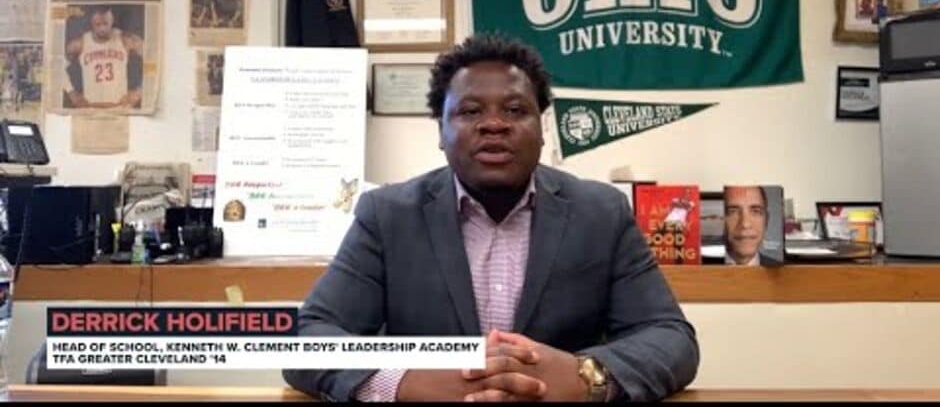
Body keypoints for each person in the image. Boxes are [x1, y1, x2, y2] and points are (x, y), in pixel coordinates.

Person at [283, 34, 699, 402]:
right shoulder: (388, 216)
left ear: (542, 128)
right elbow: (310, 337)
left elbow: (670, 338)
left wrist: (584, 375)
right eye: (470, 112)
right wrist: (406, 382)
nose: (495, 124)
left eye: (516, 110)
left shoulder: (601, 212)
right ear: (440, 132)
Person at [63, 5, 144, 109]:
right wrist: (71, 92)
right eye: (98, 24)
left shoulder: (126, 39)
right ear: (92, 22)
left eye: (106, 23)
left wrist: (139, 92)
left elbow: (153, 58)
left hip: (120, 108)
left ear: (112, 20)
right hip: (90, 109)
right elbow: (55, 65)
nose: (102, 28)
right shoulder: (80, 43)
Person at [723, 186, 770, 266]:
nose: (745, 224)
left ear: (766, 220)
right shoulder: (699, 271)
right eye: (732, 212)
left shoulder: (788, 272)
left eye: (756, 211)